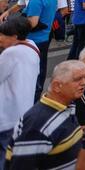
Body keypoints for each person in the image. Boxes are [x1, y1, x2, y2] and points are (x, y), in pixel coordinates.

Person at [4, 60, 85, 169]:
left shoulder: (66, 107)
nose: (84, 82)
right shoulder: (38, 125)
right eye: (77, 79)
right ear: (57, 86)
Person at [0, 17, 39, 164]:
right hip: (23, 112)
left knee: (4, 155)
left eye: (3, 35)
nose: (0, 38)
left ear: (15, 37)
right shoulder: (32, 46)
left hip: (6, 114)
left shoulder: (11, 54)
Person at [22, 0, 59, 99]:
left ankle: (31, 98)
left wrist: (16, 23)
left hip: (32, 40)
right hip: (45, 37)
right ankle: (38, 94)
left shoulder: (36, 0)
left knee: (30, 72)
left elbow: (32, 23)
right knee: (41, 68)